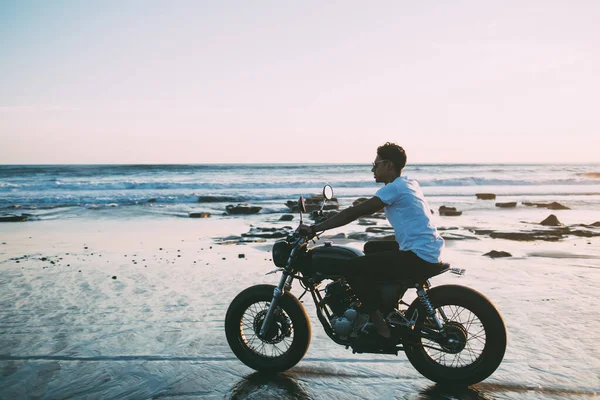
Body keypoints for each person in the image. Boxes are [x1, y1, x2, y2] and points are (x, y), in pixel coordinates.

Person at [299, 142, 444, 345]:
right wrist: (362, 205)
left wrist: (315, 228)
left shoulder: (394, 189)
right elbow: (377, 205)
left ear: (388, 165)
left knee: (351, 268)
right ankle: (384, 304)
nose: (372, 169)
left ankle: (379, 323)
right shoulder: (408, 183)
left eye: (375, 164)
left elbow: (353, 214)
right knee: (370, 248)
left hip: (417, 255)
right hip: (428, 248)